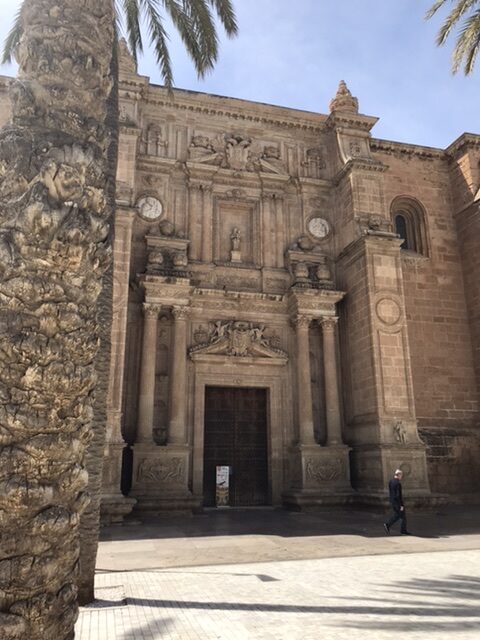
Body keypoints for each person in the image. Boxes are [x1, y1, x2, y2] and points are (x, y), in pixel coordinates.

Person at [383, 469, 411, 535]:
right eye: (401, 475)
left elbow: (391, 492)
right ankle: (388, 525)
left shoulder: (391, 481)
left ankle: (403, 530)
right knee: (399, 516)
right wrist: (401, 505)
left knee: (401, 516)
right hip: (398, 502)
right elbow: (398, 495)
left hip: (393, 501)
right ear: (399, 475)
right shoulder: (398, 483)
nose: (401, 477)